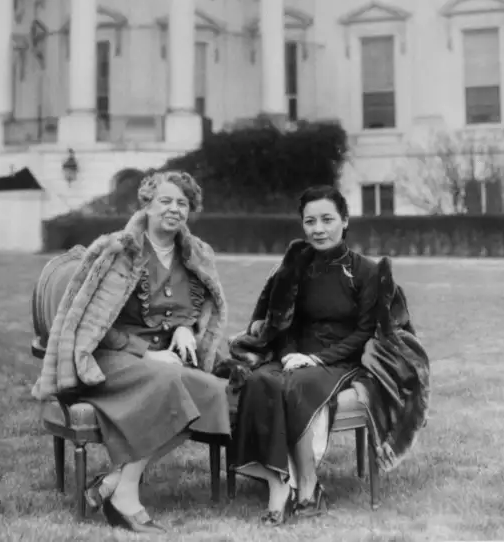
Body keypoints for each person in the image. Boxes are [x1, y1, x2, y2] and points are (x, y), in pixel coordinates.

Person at [32, 170, 230, 535]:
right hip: (110, 355)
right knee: (169, 378)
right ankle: (126, 498)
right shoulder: (117, 251)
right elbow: (92, 326)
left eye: (182, 203)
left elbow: (194, 305)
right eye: (165, 201)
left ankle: (111, 483)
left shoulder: (193, 254)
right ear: (148, 205)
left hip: (163, 361)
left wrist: (187, 327)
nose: (174, 209)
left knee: (211, 391)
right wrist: (146, 354)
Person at [228, 185, 378, 526]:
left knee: (299, 385)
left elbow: (366, 332)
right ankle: (277, 481)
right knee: (261, 380)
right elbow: (282, 324)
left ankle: (309, 488)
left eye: (327, 219)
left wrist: (318, 360)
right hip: (294, 354)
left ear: (345, 221)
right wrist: (289, 353)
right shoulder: (294, 268)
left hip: (341, 358)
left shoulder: (366, 272)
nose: (318, 229)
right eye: (310, 221)